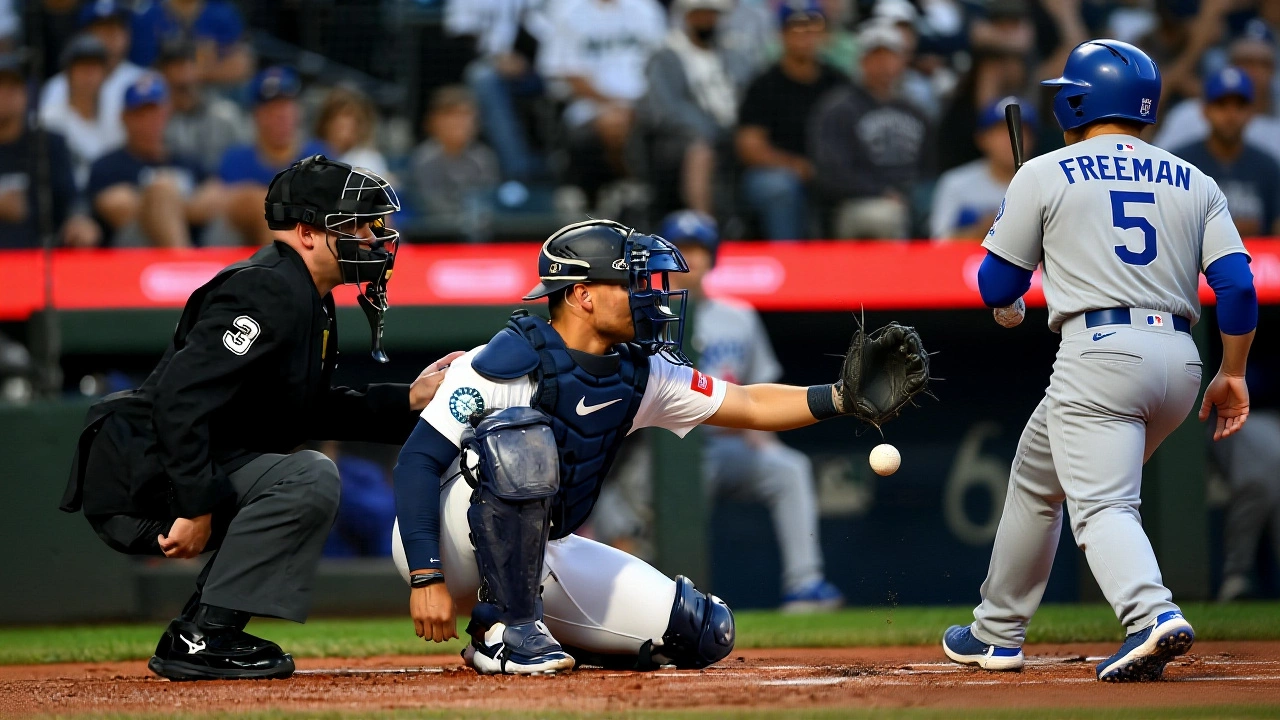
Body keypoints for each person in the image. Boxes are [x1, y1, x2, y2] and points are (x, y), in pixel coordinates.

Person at [390, 219, 930, 674]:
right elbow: (417, 462)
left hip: (540, 551)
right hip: (446, 540)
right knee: (520, 440)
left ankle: (544, 631)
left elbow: (748, 404)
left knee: (701, 632)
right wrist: (427, 576)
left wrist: (839, 397)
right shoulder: (504, 362)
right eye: (631, 282)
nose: (648, 294)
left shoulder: (641, 371)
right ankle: (501, 634)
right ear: (582, 295)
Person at [60, 155, 460, 681]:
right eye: (355, 226)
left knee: (304, 473)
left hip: (183, 462)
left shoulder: (308, 295)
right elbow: (180, 399)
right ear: (307, 232)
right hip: (145, 470)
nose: (373, 239)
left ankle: (199, 632)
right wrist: (197, 503)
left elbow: (310, 408)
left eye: (373, 226)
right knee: (308, 476)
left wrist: (408, 398)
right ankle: (207, 635)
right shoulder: (267, 287)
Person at [942, 40, 1258, 683]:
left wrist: (1010, 301)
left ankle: (1151, 614)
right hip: (1181, 360)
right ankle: (996, 631)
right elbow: (1238, 288)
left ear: (1080, 102)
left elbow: (996, 285)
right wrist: (1233, 372)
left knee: (1104, 505)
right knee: (1038, 477)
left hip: (1100, 355)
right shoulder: (1195, 178)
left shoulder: (1044, 172)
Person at [592, 210, 846, 612]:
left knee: (788, 468)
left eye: (699, 249)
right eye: (682, 249)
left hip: (724, 443)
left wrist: (764, 442)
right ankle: (640, 598)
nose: (691, 258)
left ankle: (805, 584)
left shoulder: (738, 316)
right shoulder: (639, 316)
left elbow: (759, 388)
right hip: (663, 447)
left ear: (713, 257)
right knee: (620, 511)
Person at [736, 1, 848, 239]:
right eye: (795, 29)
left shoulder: (838, 82)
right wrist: (795, 165)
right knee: (779, 187)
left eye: (812, 29)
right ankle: (787, 256)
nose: (804, 36)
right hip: (778, 171)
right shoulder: (764, 85)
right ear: (781, 35)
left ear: (824, 35)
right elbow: (750, 147)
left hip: (832, 172)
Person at [811, 20, 931, 240]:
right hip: (860, 201)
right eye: (876, 57)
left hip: (911, 196)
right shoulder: (839, 110)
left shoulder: (916, 111)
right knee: (884, 216)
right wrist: (880, 192)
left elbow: (930, 166)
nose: (884, 65)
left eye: (890, 56)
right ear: (862, 61)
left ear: (902, 61)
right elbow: (832, 174)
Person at [539, 0, 666, 204]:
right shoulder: (568, 10)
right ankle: (633, 186)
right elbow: (568, 73)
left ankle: (637, 190)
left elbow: (664, 62)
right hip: (589, 105)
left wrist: (638, 104)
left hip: (647, 102)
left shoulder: (646, 8)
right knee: (613, 123)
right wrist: (615, 103)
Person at [86, 73, 226, 247]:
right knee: (161, 189)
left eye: (155, 112)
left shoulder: (186, 160)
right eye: (140, 114)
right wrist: (165, 202)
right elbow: (117, 209)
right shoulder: (108, 165)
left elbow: (216, 195)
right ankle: (182, 261)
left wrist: (167, 207)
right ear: (124, 117)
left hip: (197, 241)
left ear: (167, 113)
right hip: (136, 249)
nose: (149, 121)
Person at [635, 0, 737, 217]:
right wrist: (710, 128)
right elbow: (667, 108)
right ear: (686, 16)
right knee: (700, 150)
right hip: (682, 138)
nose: (706, 20)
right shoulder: (668, 54)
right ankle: (703, 223)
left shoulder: (730, 52)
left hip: (731, 130)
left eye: (711, 14)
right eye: (699, 14)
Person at [218, 67, 327, 245]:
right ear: (256, 115)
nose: (280, 115)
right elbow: (208, 204)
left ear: (298, 111)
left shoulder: (319, 157)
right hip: (242, 249)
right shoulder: (236, 160)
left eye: (286, 106)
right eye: (271, 109)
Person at [0, 54, 99, 249]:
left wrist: (78, 218)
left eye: (13, 88)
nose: (5, 95)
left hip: (41, 252)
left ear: (26, 94)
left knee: (85, 235)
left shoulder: (49, 143)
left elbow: (71, 197)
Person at [445, 0, 551, 181]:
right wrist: (496, 59)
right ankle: (517, 170)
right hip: (494, 68)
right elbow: (458, 35)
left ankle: (562, 167)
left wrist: (529, 60)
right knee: (482, 77)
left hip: (550, 66)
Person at [1172, 67, 1280, 238]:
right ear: (1205, 110)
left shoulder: (1268, 167)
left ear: (1251, 112)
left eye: (1239, 106)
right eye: (1221, 105)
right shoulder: (1180, 163)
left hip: (1255, 255)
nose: (1231, 115)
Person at [1155, 31, 1280, 166]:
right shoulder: (1187, 114)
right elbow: (1159, 165)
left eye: (1263, 64)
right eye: (1246, 62)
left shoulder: (1274, 138)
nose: (1254, 71)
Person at [38, 0, 144, 152]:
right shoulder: (57, 86)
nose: (110, 36)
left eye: (115, 28)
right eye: (102, 29)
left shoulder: (143, 80)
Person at [930, 97, 1036, 241]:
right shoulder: (955, 183)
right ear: (982, 139)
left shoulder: (1046, 185)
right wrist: (981, 231)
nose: (1011, 140)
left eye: (1021, 131)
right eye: (1002, 131)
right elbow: (938, 242)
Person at [408, 85, 500, 235]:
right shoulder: (424, 159)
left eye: (466, 115)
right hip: (436, 235)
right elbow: (431, 205)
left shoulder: (484, 157)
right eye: (452, 116)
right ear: (434, 121)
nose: (460, 123)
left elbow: (488, 199)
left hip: (480, 232)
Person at [38, 34, 121, 189]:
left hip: (108, 192)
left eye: (94, 67)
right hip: (69, 195)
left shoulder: (117, 115)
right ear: (68, 74)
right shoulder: (50, 118)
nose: (88, 75)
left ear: (105, 74)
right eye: (82, 68)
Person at [157, 40, 248, 174]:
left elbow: (246, 161)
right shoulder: (155, 121)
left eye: (187, 64)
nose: (183, 72)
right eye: (179, 87)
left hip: (223, 183)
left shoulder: (225, 115)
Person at [129, 0, 253, 85]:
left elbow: (241, 66)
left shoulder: (222, 12)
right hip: (161, 94)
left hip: (214, 92)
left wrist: (195, 74)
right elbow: (140, 71)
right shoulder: (147, 15)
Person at [313, 85, 389, 179]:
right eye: (336, 117)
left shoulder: (366, 160)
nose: (345, 125)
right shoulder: (312, 154)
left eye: (353, 119)